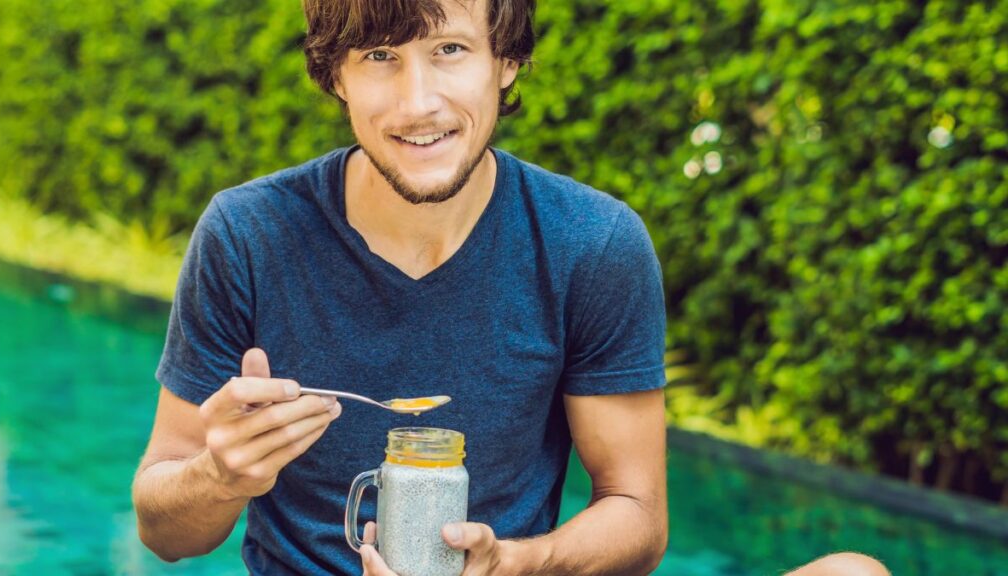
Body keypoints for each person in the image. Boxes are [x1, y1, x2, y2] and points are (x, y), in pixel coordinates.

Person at [132, 1, 889, 575]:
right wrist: (219, 474)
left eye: (450, 49)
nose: (417, 101)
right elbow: (164, 531)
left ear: (507, 61)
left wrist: (516, 564)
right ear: (336, 73)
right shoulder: (248, 233)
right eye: (379, 55)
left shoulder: (590, 243)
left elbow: (637, 513)